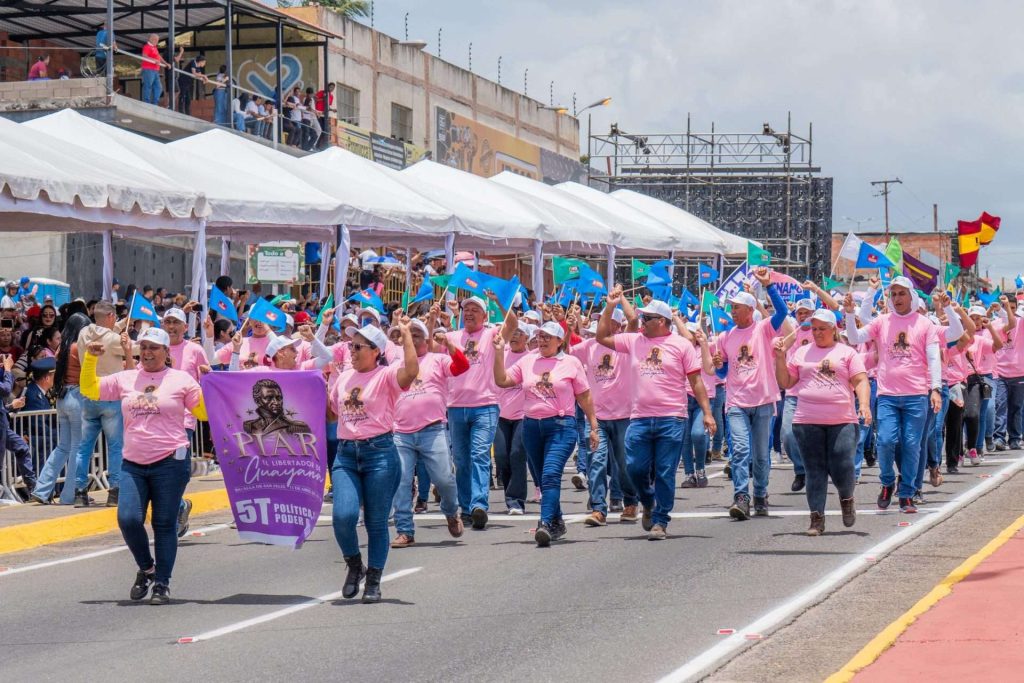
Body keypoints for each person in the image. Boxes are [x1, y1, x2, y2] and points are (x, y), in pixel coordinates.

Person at [82, 327, 206, 605]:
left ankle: (162, 583)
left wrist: (209, 385)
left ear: (166, 352)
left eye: (154, 347)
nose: (148, 352)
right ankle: (147, 569)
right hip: (133, 463)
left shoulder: (181, 380)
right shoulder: (127, 377)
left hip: (170, 462)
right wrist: (90, 359)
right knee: (127, 519)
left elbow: (203, 413)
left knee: (164, 524)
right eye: (144, 347)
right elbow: (89, 389)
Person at [596, 288, 716, 540]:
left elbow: (696, 382)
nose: (641, 322)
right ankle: (648, 500)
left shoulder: (681, 345)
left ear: (661, 321)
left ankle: (661, 520)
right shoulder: (634, 340)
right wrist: (609, 307)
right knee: (634, 469)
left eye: (646, 319)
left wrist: (707, 413)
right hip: (639, 418)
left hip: (671, 418)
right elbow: (602, 337)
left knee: (664, 471)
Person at [329, 322, 418, 603]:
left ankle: (375, 580)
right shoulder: (343, 377)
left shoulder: (386, 375)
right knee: (342, 517)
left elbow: (412, 372)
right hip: (346, 454)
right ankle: (356, 565)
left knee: (375, 522)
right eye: (350, 346)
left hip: (379, 453)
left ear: (376, 351)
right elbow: (333, 413)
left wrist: (406, 339)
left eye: (358, 347)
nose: (352, 351)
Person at [843, 277, 949, 513]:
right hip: (888, 395)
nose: (898, 298)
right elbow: (854, 338)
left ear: (911, 296)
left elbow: (933, 359)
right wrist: (850, 314)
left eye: (902, 294)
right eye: (894, 294)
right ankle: (888, 481)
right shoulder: (882, 322)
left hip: (917, 396)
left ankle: (907, 494)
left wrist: (935, 389)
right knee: (886, 441)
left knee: (912, 446)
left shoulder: (924, 324)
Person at [493, 321, 599, 546]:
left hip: (561, 427)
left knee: (551, 474)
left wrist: (593, 426)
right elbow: (502, 381)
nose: (541, 340)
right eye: (540, 336)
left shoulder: (571, 362)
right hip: (531, 427)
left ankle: (546, 523)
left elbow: (584, 396)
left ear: (560, 341)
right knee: (542, 478)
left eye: (548, 337)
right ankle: (557, 521)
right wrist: (498, 352)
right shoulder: (528, 360)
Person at [774, 309, 870, 535]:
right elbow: (786, 381)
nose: (817, 333)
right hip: (807, 420)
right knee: (814, 470)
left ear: (833, 330)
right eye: (814, 328)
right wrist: (780, 358)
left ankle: (846, 498)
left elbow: (860, 380)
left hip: (842, 419)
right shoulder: (801, 352)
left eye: (822, 329)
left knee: (842, 465)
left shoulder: (847, 353)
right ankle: (816, 518)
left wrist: (864, 405)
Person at [712, 267, 789, 519]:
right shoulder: (725, 336)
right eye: (731, 307)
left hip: (764, 401)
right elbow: (723, 374)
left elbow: (783, 312)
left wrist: (768, 286)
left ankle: (761, 493)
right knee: (741, 450)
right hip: (736, 402)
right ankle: (741, 497)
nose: (732, 311)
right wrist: (719, 363)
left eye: (736, 307)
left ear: (749, 310)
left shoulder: (764, 328)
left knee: (760, 455)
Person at [390, 319, 469, 548]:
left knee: (444, 479)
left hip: (432, 429)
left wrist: (450, 345)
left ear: (427, 339)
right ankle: (405, 530)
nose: (412, 338)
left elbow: (462, 367)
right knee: (401, 482)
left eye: (417, 334)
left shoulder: (438, 359)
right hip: (401, 433)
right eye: (408, 334)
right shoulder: (396, 365)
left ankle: (451, 511)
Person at [444, 295, 515, 530]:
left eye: (475, 309)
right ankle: (465, 508)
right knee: (461, 460)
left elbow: (512, 325)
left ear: (485, 315)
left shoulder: (492, 334)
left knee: (479, 456)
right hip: (455, 407)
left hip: (485, 405)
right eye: (467, 310)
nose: (470, 313)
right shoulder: (453, 337)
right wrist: (435, 320)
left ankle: (479, 505)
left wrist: (500, 302)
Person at [571, 305, 640, 525]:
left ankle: (630, 502)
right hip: (596, 417)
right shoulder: (589, 346)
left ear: (617, 325)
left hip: (623, 415)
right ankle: (599, 507)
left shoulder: (625, 344)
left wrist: (617, 300)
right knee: (596, 461)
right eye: (599, 318)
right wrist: (566, 325)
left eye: (606, 318)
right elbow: (565, 350)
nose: (600, 322)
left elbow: (634, 321)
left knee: (624, 463)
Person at [30, 313, 91, 505]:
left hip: (63, 398)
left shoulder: (61, 348)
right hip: (77, 396)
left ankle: (41, 489)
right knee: (76, 448)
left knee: (63, 446)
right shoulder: (77, 347)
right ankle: (69, 494)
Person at [73, 301, 126, 507]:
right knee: (114, 446)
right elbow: (135, 348)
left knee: (83, 447)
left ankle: (79, 491)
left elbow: (107, 332)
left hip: (88, 394)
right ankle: (114, 491)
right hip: (110, 396)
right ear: (111, 317)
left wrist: (118, 327)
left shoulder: (84, 333)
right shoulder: (113, 340)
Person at [494, 323, 531, 515]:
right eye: (513, 332)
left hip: (523, 415)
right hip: (499, 414)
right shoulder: (501, 351)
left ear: (527, 338)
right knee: (501, 457)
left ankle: (515, 501)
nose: (515, 336)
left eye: (520, 333)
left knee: (517, 455)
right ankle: (510, 495)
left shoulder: (532, 358)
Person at [1, 351, 36, 500]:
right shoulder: (8, 376)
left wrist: (11, 406)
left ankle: (33, 488)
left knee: (21, 447)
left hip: (2, 423)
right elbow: (5, 389)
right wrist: (8, 369)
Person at [140, 34, 170, 106]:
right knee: (148, 85)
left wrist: (166, 63)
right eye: (156, 40)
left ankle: (155, 103)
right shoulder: (147, 46)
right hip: (148, 69)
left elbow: (159, 56)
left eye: (157, 40)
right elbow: (144, 56)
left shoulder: (154, 47)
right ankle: (146, 103)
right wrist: (153, 60)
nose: (157, 41)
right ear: (151, 39)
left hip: (155, 70)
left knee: (158, 87)